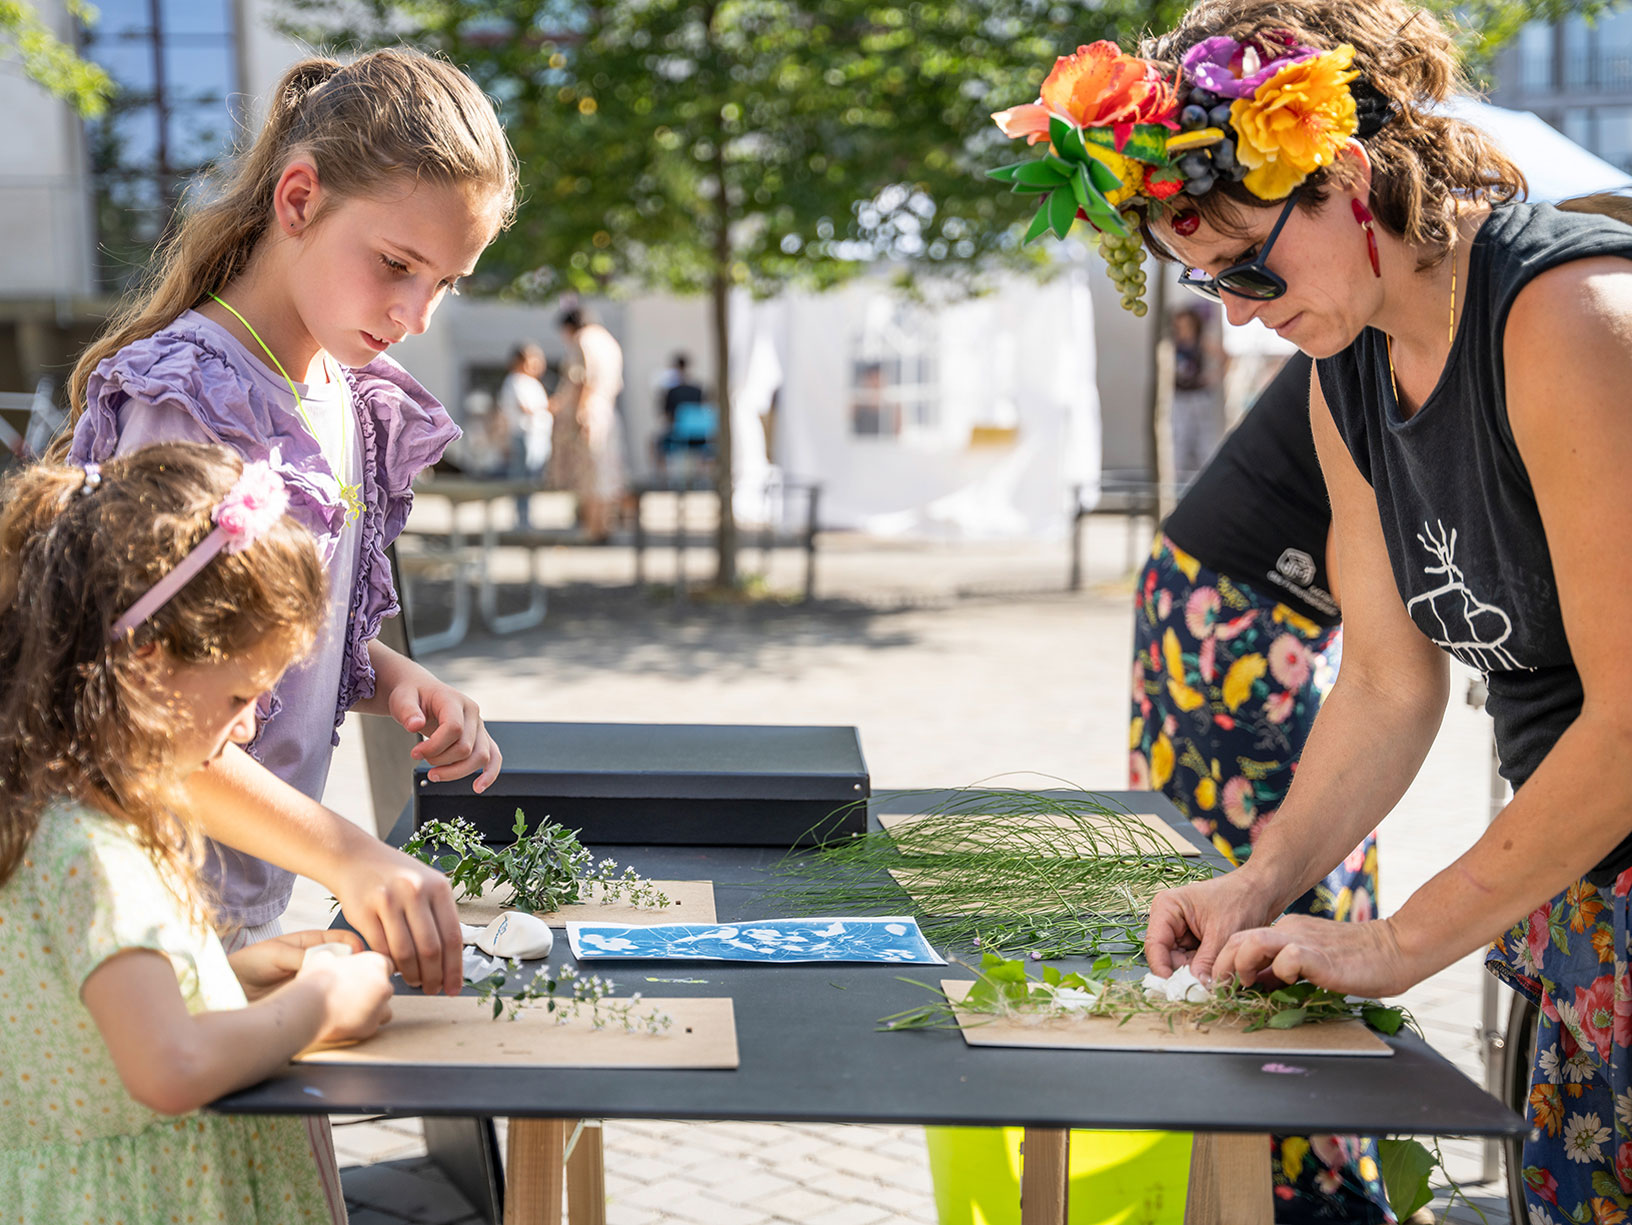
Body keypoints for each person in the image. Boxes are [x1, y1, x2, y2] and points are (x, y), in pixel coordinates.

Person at [1036, 1, 1632, 1220]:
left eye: (1251, 265)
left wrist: (1401, 941)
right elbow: (1386, 682)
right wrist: (1264, 880)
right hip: (1581, 887)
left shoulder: (1573, 319)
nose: (1241, 311)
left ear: (1348, 174)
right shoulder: (1345, 365)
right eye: (1210, 285)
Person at [0, 443, 396, 1222]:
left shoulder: (46, 810)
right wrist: (316, 1004)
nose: (248, 728)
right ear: (146, 660)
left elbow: (84, 1026)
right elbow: (168, 1068)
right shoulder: (95, 848)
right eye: (241, 693)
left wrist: (232, 977)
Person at [1134, 352, 1387, 1218]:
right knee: (1283, 913)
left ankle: (1300, 1171)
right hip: (1232, 617)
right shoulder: (1398, 322)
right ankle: (1296, 1188)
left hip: (1235, 606)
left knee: (1316, 882)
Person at [552, 307, 626, 540]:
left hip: (589, 413)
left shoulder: (583, 340)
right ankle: (605, 526)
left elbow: (583, 379)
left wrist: (580, 412)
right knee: (607, 475)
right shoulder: (609, 341)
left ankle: (593, 529)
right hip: (609, 411)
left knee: (590, 477)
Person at [1169, 305, 1228, 484]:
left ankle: (1207, 479)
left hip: (1199, 397)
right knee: (1179, 439)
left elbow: (1224, 356)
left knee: (1204, 439)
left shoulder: (1201, 341)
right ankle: (1177, 481)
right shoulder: (1173, 342)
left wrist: (1214, 377)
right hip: (1179, 397)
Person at [497, 343, 551, 526]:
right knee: (522, 478)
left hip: (538, 435)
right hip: (524, 435)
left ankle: (527, 516)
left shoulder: (531, 382)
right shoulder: (515, 381)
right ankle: (522, 519)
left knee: (533, 479)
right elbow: (526, 408)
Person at [655, 352, 704, 474]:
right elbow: (702, 412)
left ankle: (663, 481)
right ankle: (703, 476)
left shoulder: (672, 391)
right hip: (700, 438)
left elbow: (666, 416)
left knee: (656, 444)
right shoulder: (698, 389)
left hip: (677, 438)